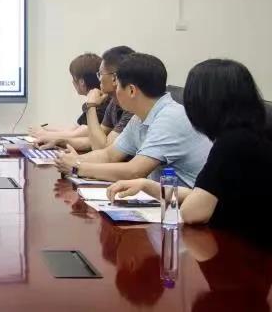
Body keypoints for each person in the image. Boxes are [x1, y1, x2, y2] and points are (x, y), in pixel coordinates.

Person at [108, 59, 272, 247]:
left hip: (246, 251)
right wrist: (146, 185)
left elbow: (192, 213)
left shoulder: (231, 144)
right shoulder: (253, 135)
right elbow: (202, 195)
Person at [55, 53, 212, 187]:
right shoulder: (140, 117)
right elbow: (109, 155)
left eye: (118, 86)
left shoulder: (170, 117)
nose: (115, 92)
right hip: (165, 201)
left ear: (131, 90)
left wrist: (78, 167)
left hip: (189, 207)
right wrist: (74, 160)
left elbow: (134, 171)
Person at [37, 46, 135, 151]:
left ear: (114, 78)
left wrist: (90, 106)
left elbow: (101, 147)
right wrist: (62, 142)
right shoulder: (114, 104)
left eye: (100, 74)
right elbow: (93, 140)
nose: (99, 79)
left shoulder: (132, 110)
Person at [29, 53, 106, 144]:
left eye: (73, 78)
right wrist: (46, 129)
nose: (72, 82)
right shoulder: (95, 101)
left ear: (82, 82)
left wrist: (43, 134)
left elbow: (76, 134)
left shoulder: (100, 105)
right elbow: (75, 128)